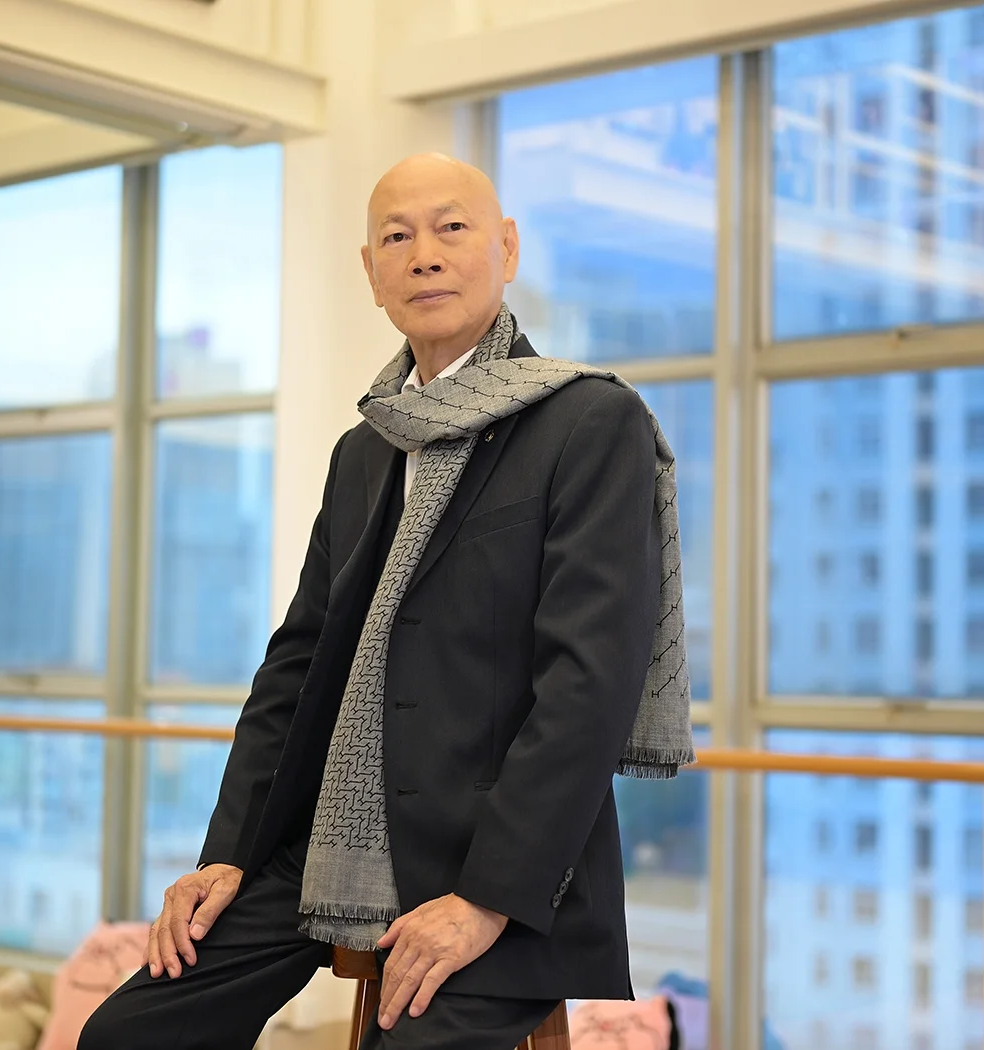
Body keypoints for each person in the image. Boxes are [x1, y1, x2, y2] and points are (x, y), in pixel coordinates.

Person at [79, 153, 693, 1050]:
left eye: (451, 228)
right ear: (371, 272)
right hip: (339, 837)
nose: (424, 254)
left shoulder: (588, 421)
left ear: (506, 248)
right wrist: (228, 854)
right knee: (129, 1034)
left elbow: (589, 683)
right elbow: (298, 663)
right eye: (396, 237)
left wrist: (485, 900)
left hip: (506, 867)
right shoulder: (363, 450)